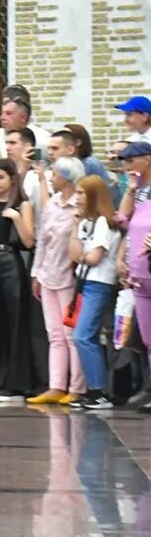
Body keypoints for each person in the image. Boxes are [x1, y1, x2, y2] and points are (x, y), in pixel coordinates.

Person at [0, 158, 38, 402]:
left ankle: (14, 383)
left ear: (12, 179)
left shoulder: (23, 204)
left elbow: (29, 241)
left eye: (0, 177)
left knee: (14, 322)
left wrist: (17, 217)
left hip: (11, 262)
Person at [29, 158, 88, 406]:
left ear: (67, 176)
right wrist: (36, 272)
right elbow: (42, 239)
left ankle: (77, 387)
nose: (51, 178)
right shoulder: (52, 204)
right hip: (48, 275)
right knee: (54, 334)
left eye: (55, 174)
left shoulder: (80, 205)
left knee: (71, 333)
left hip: (71, 278)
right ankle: (55, 385)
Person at [71, 176, 121, 410]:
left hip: (99, 283)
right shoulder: (85, 223)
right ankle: (94, 389)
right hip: (84, 281)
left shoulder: (103, 222)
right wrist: (74, 226)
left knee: (83, 335)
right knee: (84, 335)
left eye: (81, 193)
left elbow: (94, 257)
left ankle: (98, 391)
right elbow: (73, 252)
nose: (77, 198)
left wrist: (82, 255)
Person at [116, 143, 151, 412]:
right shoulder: (138, 193)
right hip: (139, 274)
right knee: (147, 337)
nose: (126, 167)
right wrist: (121, 258)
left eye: (131, 161)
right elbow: (123, 221)